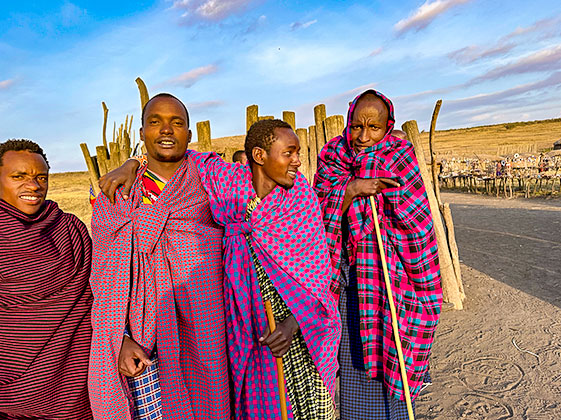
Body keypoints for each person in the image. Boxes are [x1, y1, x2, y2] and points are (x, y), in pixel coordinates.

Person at [100, 118, 341, 420]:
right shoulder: (225, 182)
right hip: (247, 326)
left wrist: (294, 323)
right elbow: (175, 153)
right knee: (260, 405)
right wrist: (133, 164)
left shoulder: (300, 198)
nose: (297, 161)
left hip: (301, 330)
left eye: (298, 153)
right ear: (259, 156)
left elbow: (319, 275)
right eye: (289, 152)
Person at [89, 93, 230, 419]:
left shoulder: (208, 179)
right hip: (142, 337)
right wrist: (119, 339)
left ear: (189, 135)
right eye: (155, 122)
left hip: (208, 329)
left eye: (176, 122)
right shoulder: (118, 194)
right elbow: (105, 278)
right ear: (141, 133)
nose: (166, 130)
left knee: (211, 405)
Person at [313, 90, 442, 420]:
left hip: (392, 280)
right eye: (357, 126)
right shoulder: (332, 156)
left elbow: (418, 222)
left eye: (373, 128)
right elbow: (316, 214)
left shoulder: (400, 156)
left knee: (392, 357)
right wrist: (353, 189)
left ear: (389, 127)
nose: (363, 137)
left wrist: (388, 199)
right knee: (354, 363)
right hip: (347, 280)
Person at [0, 139, 94, 419]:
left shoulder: (69, 229)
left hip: (71, 388)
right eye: (19, 176)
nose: (33, 185)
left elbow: (99, 295)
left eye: (41, 177)